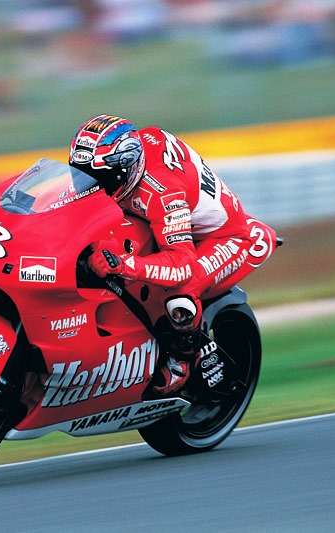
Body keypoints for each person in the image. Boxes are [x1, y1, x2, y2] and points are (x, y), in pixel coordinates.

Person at [69, 114, 278, 397]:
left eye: (100, 178)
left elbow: (181, 265)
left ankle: (184, 358)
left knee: (180, 293)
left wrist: (124, 265)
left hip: (224, 237)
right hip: (172, 220)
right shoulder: (131, 154)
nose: (90, 184)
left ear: (126, 169)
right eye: (81, 174)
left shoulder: (163, 195)